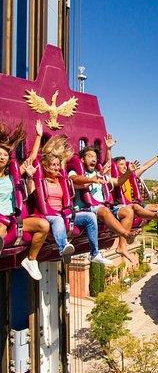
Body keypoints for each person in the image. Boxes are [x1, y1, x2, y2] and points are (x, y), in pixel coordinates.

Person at [39, 135, 113, 265]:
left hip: (64, 213)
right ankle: (63, 248)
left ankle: (95, 253)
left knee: (90, 217)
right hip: (51, 215)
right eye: (53, 165)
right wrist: (39, 137)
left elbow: (81, 182)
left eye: (58, 165)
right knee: (58, 219)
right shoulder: (42, 180)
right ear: (45, 167)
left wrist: (96, 176)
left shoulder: (61, 178)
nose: (56, 168)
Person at [68, 145, 140, 263]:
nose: (94, 159)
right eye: (90, 156)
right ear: (82, 159)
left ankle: (122, 246)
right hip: (85, 209)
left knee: (127, 211)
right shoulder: (74, 171)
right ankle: (126, 234)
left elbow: (118, 182)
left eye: (95, 157)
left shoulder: (99, 173)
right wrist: (92, 179)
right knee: (103, 210)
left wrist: (129, 171)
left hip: (101, 208)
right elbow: (74, 179)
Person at [0, 120, 50, 280]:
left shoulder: (11, 177)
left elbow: (31, 158)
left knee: (43, 225)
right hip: (0, 220)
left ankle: (31, 260)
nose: (2, 157)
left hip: (13, 218)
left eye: (5, 155)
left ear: (8, 159)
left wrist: (38, 136)